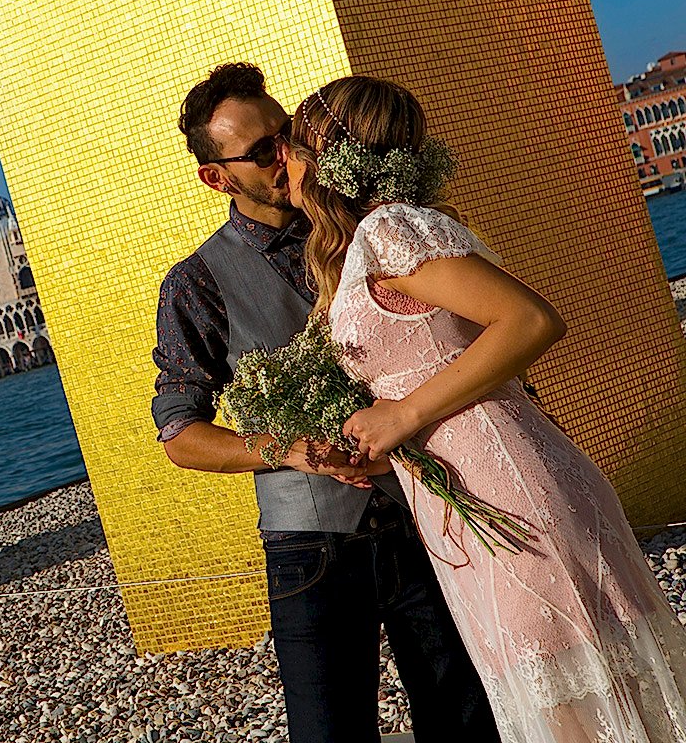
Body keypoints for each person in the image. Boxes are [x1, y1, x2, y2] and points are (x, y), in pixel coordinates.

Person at [285, 74, 686, 742]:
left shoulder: (391, 231)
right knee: (555, 698)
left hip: (510, 493)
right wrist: (362, 434)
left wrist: (401, 417)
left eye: (293, 145)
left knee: (571, 700)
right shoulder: (360, 249)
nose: (283, 165)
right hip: (459, 504)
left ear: (327, 154)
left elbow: (529, 320)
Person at [152, 63, 501, 742]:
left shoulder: (363, 228)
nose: (283, 154)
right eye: (258, 151)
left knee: (467, 715)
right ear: (215, 177)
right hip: (310, 545)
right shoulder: (196, 284)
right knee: (329, 732)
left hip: (421, 507)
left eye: (284, 134)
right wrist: (286, 451)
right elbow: (179, 435)